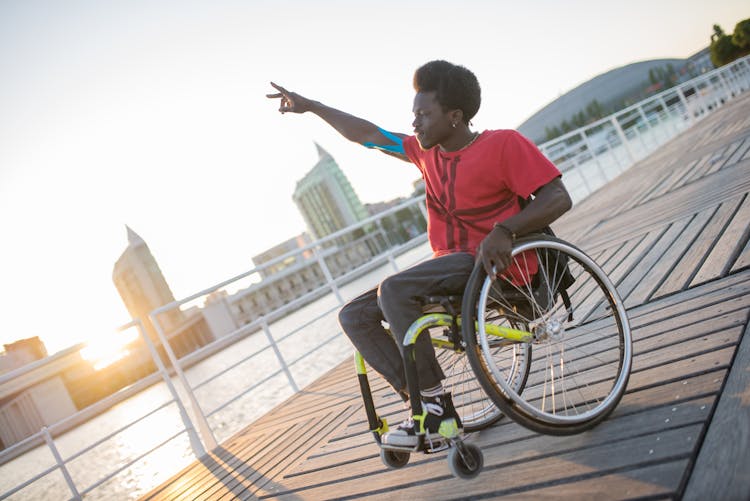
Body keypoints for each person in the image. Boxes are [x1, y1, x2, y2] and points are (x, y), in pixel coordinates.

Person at [267, 60, 571, 447]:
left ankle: (435, 409)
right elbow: (368, 134)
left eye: (424, 114)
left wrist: (507, 229)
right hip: (450, 269)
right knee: (354, 315)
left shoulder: (502, 144)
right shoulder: (424, 154)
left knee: (393, 290)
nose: (415, 123)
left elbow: (558, 196)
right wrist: (312, 106)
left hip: (497, 269)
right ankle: (426, 404)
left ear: (455, 116)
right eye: (414, 115)